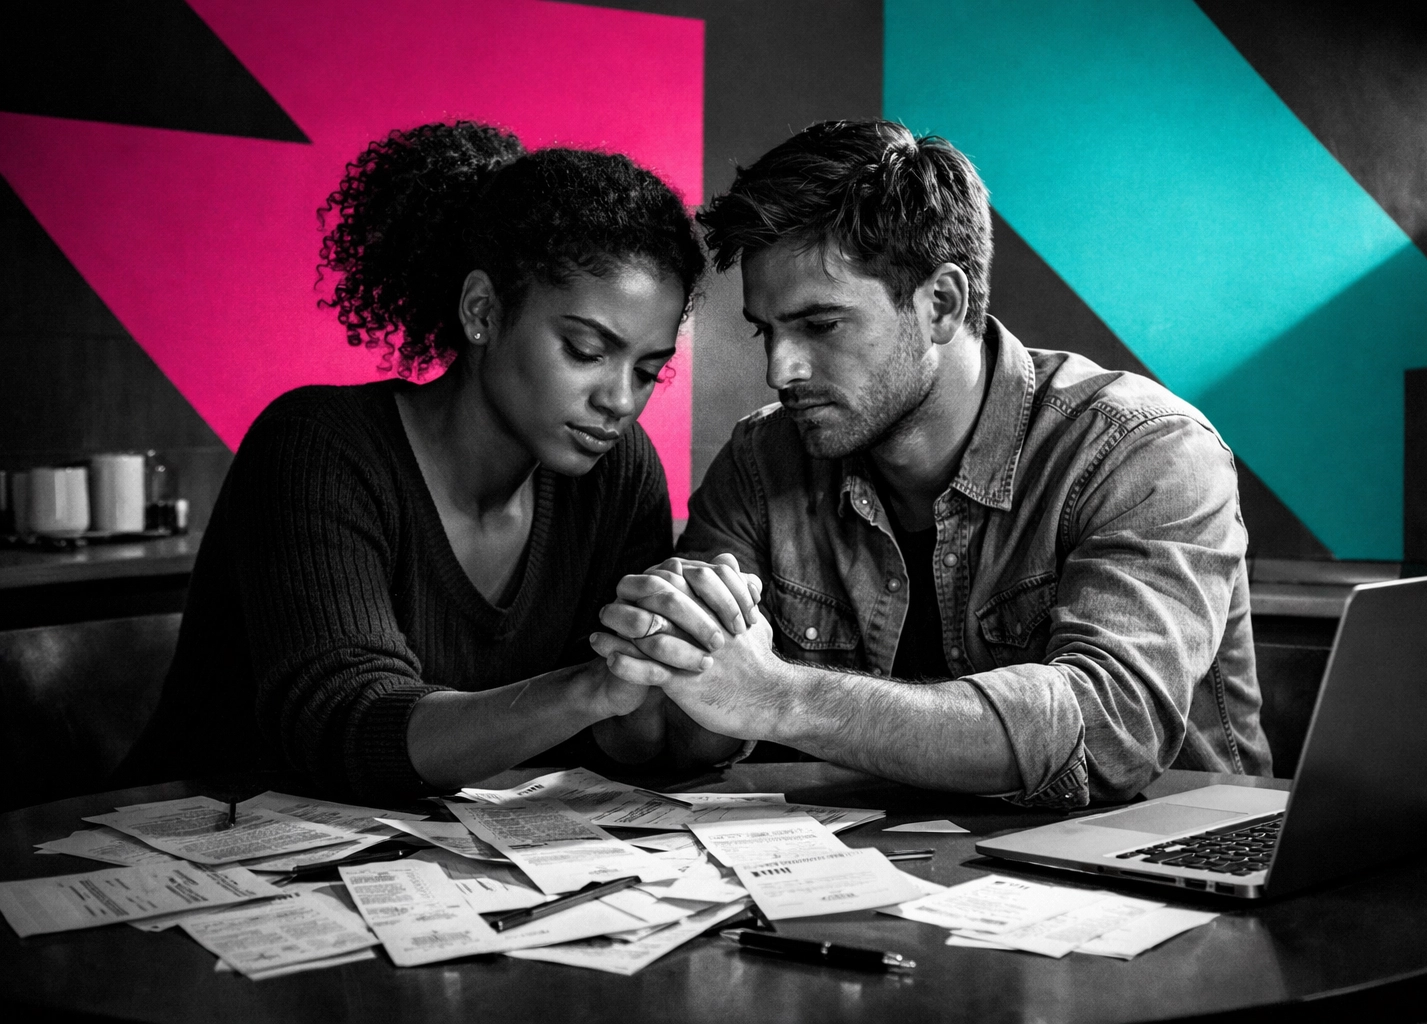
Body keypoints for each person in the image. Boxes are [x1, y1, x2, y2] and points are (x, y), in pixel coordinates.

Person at [591, 119, 1272, 809]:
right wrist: (664, 651)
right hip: (889, 883)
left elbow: (1110, 727)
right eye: (767, 331)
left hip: (1164, 872)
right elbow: (686, 735)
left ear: (941, 303)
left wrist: (781, 698)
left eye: (820, 325)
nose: (780, 369)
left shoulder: (1142, 449)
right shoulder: (762, 464)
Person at [118, 121, 746, 802]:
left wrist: (685, 650)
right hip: (195, 848)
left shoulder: (615, 473)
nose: (620, 400)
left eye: (650, 370)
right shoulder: (318, 447)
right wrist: (592, 688)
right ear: (482, 311)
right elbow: (347, 725)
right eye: (586, 352)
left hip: (430, 865)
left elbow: (622, 741)